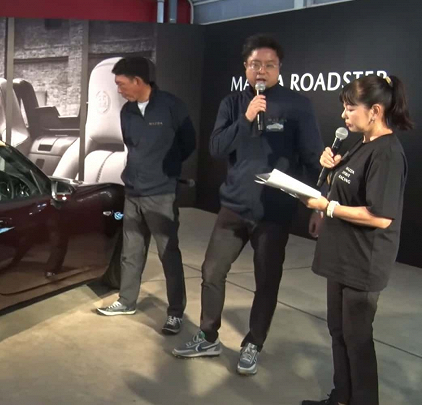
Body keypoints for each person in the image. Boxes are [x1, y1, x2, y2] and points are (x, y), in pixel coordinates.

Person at [173, 34, 324, 375]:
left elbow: (313, 157)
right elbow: (216, 148)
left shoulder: (298, 105)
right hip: (233, 207)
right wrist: (245, 118)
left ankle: (254, 342)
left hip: (274, 211)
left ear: (279, 68)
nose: (262, 70)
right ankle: (208, 336)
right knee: (212, 271)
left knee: (266, 280)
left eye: (269, 65)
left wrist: (317, 206)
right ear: (245, 67)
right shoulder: (232, 103)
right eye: (255, 64)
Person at [300, 75, 412, 405]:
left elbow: (381, 216)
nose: (344, 115)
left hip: (363, 262)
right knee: (339, 331)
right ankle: (341, 397)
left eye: (350, 108)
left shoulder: (387, 154)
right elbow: (350, 190)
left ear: (375, 111)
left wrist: (328, 207)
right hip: (342, 256)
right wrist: (332, 171)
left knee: (357, 340)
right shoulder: (362, 143)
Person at [96, 57, 196, 336]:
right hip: (133, 192)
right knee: (131, 252)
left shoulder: (172, 106)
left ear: (138, 81)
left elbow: (188, 143)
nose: (118, 90)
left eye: (121, 84)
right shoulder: (127, 112)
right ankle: (126, 301)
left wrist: (166, 169)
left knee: (168, 254)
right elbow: (131, 145)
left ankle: (175, 313)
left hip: (161, 194)